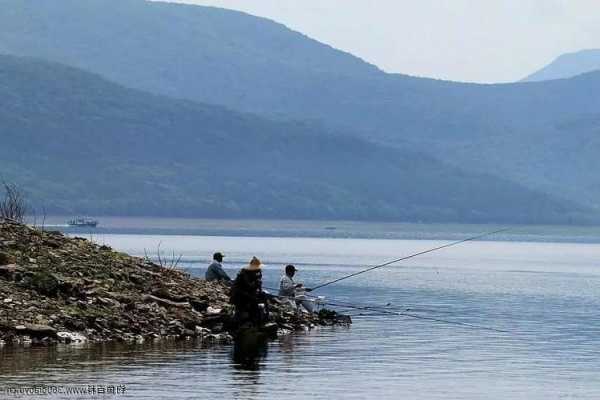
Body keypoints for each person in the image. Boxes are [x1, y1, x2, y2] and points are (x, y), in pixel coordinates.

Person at [230, 256, 268, 327]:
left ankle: (260, 318)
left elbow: (257, 286)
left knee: (262, 297)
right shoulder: (244, 273)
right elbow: (248, 286)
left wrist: (259, 290)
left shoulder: (256, 273)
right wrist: (256, 285)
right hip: (239, 294)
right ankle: (249, 320)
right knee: (253, 302)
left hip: (247, 293)